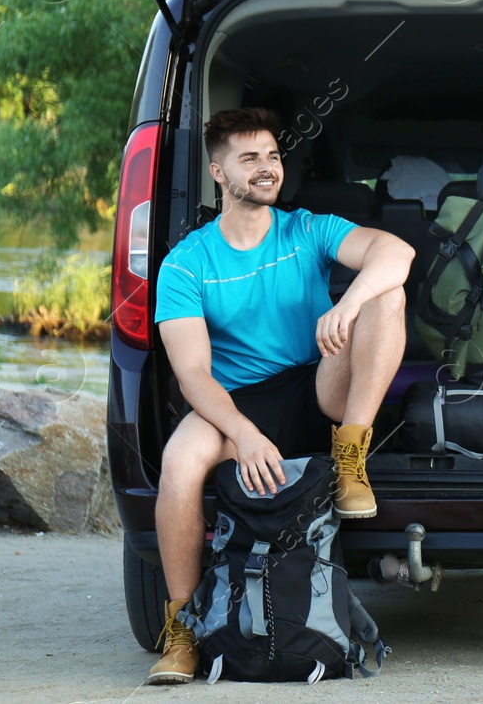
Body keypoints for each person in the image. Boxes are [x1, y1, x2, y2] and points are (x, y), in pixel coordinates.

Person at [144, 107, 413, 685]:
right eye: (250, 159)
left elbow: (397, 253)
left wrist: (346, 303)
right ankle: (184, 630)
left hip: (318, 386)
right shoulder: (186, 263)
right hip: (235, 401)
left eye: (272, 155)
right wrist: (243, 433)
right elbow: (193, 376)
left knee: (385, 294)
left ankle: (351, 455)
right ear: (218, 173)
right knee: (178, 462)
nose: (267, 169)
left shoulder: (306, 228)